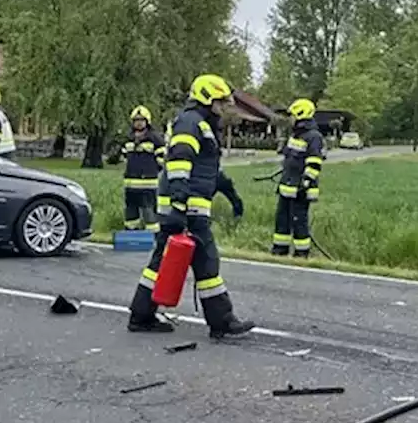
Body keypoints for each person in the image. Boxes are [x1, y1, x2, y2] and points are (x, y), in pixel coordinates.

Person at [127, 74, 255, 338]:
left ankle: (142, 315)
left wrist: (231, 194)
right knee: (206, 261)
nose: (224, 107)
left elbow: (208, 170)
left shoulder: (202, 124)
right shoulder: (191, 122)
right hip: (186, 207)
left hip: (189, 206)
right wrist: (179, 202)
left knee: (164, 262)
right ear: (207, 98)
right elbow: (179, 162)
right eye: (220, 102)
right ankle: (222, 322)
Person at [272, 98, 324, 258]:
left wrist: (306, 181)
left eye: (292, 116)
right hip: (287, 186)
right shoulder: (296, 135)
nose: (290, 119)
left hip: (300, 188)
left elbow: (314, 162)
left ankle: (302, 253)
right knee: (282, 219)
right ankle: (280, 249)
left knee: (298, 221)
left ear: (301, 115)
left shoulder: (313, 136)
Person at [121, 105, 164, 231]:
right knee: (130, 211)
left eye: (141, 120)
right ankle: (130, 233)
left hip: (148, 184)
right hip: (130, 184)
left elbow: (162, 159)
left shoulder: (155, 138)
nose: (139, 123)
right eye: (136, 120)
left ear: (147, 122)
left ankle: (153, 236)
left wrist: (151, 170)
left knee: (149, 211)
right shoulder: (128, 138)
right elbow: (125, 157)